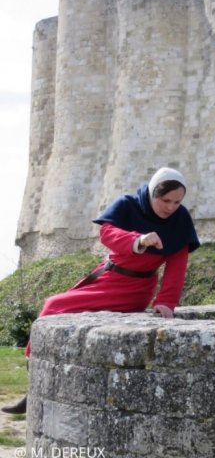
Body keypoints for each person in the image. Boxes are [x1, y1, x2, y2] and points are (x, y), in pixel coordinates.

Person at [1, 167, 200, 414]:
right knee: (53, 305)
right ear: (152, 193)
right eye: (165, 200)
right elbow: (107, 233)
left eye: (177, 201)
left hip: (136, 289)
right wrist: (138, 240)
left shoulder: (179, 220)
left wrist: (166, 302)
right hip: (107, 276)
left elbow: (177, 264)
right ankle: (34, 385)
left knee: (54, 305)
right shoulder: (128, 205)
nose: (170, 207)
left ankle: (33, 391)